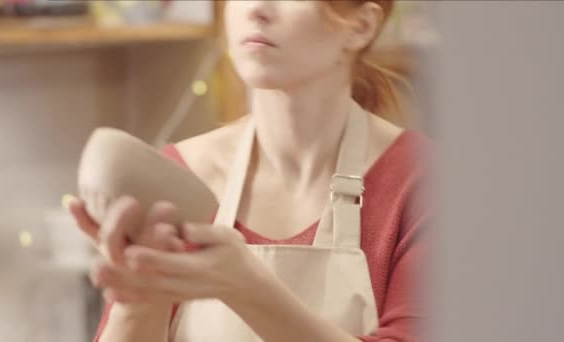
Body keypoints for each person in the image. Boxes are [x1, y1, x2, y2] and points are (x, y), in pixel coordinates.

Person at [69, 1, 432, 341]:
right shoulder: (180, 178)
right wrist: (141, 299)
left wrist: (245, 287)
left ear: (362, 26)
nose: (256, 8)